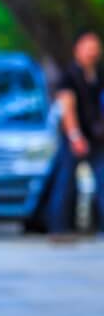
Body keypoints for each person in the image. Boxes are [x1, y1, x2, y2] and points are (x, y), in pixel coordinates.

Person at [47, 29, 104, 236]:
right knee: (65, 183)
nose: (92, 52)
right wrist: (75, 136)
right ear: (77, 49)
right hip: (75, 138)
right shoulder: (69, 75)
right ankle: (59, 227)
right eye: (88, 47)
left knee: (101, 181)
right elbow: (67, 108)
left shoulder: (97, 75)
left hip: (96, 138)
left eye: (95, 48)